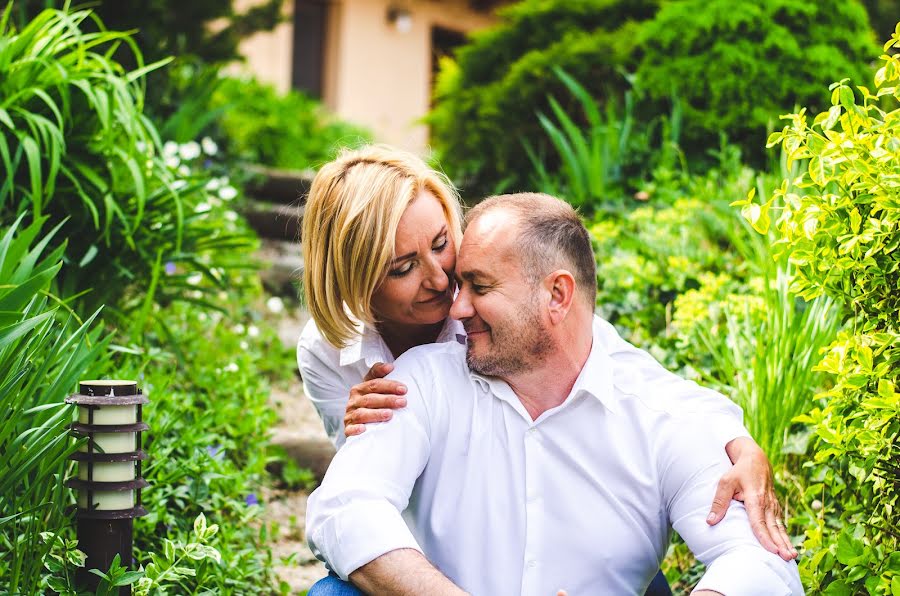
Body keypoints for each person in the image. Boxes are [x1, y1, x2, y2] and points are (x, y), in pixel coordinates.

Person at [305, 192, 804, 595]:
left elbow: (760, 562)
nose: (454, 307)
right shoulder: (415, 382)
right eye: (405, 268)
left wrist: (732, 435)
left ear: (557, 295)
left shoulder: (658, 413)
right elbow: (345, 506)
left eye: (477, 285)